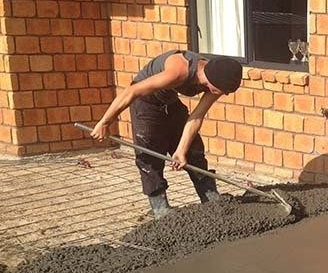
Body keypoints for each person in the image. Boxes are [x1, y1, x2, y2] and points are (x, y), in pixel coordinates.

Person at [91, 50, 243, 218]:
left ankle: (209, 195)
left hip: (169, 102)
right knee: (150, 153)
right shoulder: (178, 71)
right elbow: (131, 92)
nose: (225, 94)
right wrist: (105, 122)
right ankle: (159, 206)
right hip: (145, 102)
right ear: (212, 80)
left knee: (194, 150)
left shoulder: (217, 80)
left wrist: (181, 151)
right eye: (224, 90)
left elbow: (197, 116)